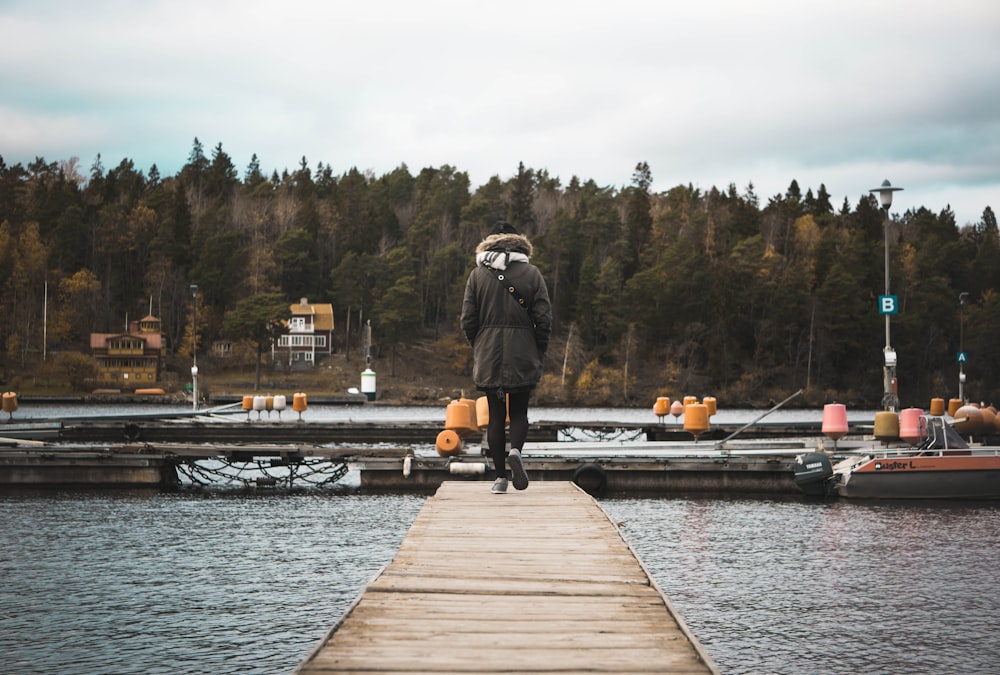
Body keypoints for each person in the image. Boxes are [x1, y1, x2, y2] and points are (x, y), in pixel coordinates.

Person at [461, 220, 552, 493]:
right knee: (520, 411)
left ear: (488, 242)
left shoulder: (477, 276)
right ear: (518, 241)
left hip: (488, 353)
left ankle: (500, 478)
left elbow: (467, 319)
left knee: (496, 415)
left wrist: (478, 345)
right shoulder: (532, 273)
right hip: (523, 350)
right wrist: (539, 349)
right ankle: (516, 451)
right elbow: (544, 318)